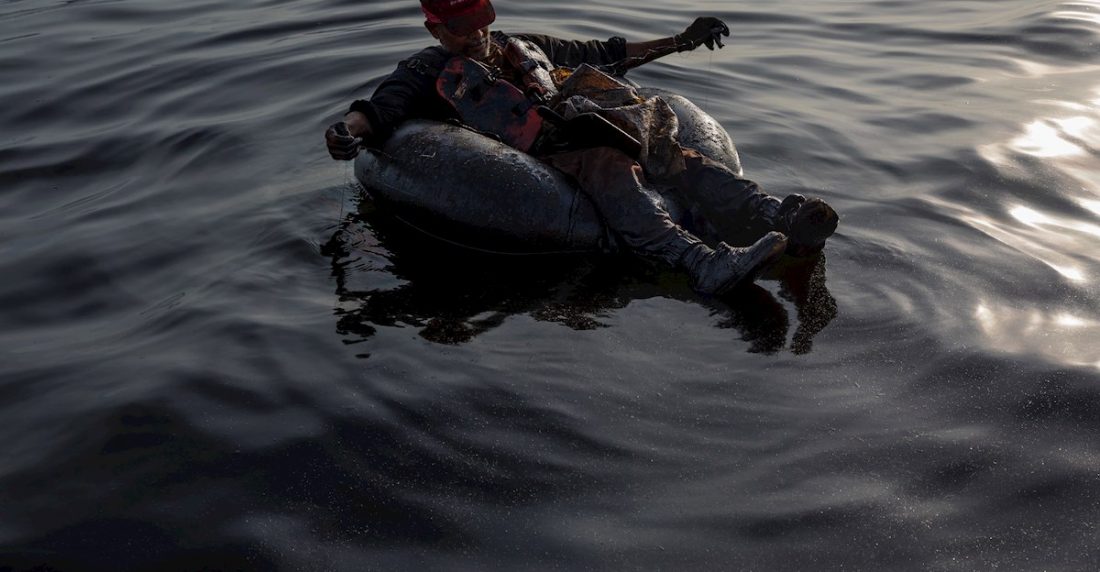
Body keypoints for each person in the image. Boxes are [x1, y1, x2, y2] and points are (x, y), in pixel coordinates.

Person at [326, 0, 838, 296]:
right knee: (609, 165)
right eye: (461, 28)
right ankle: (699, 263)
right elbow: (379, 110)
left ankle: (777, 212)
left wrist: (682, 40)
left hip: (591, 122)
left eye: (481, 18)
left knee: (677, 155)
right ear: (435, 28)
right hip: (540, 150)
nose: (477, 33)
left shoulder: (520, 45)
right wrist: (347, 131)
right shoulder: (426, 71)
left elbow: (604, 55)